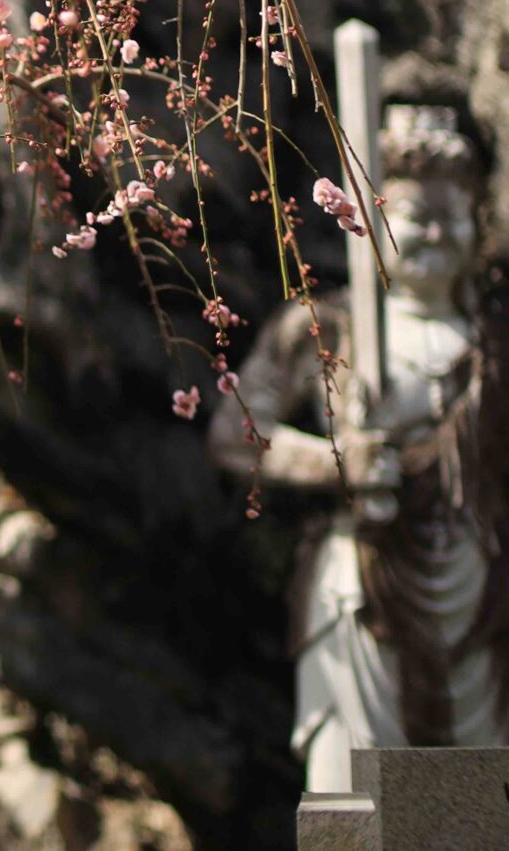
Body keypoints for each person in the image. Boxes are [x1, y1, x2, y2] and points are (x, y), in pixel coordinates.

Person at [211, 104, 509, 792]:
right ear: (369, 219)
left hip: (476, 580)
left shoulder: (495, 344)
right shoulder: (328, 325)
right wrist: (335, 459)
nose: (432, 230)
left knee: (470, 804)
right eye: (412, 213)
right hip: (359, 582)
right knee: (357, 795)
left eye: (450, 213)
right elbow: (235, 433)